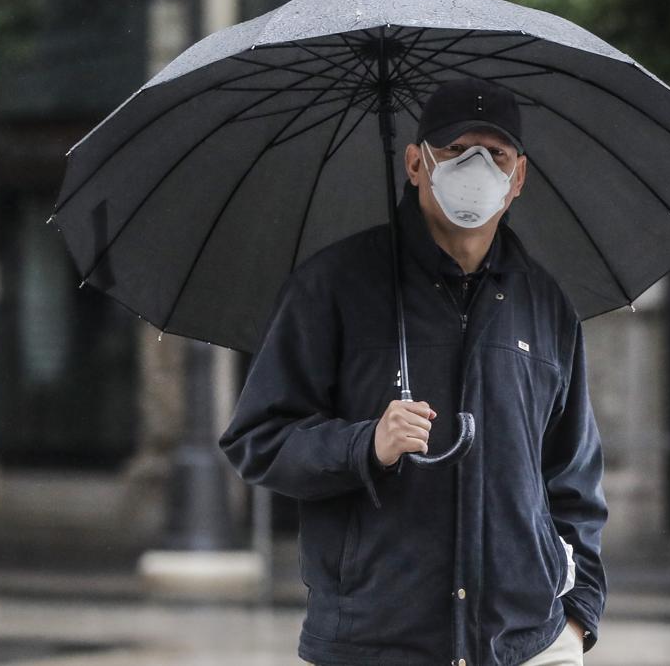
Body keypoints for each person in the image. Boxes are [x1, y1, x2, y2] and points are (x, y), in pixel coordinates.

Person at [219, 77, 607, 666]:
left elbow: (573, 478)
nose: (476, 166)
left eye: (495, 155)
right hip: (375, 640)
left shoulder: (546, 304)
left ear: (518, 177)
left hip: (527, 641)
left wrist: (578, 617)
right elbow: (258, 441)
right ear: (416, 163)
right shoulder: (334, 286)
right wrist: (364, 444)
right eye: (455, 151)